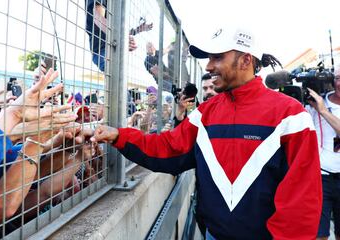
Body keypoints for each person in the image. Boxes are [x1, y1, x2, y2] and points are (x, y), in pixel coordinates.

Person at [90, 26, 322, 239]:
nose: (209, 66)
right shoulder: (205, 113)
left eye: (218, 57)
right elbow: (167, 149)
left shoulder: (291, 115)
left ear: (246, 60)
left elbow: (302, 200)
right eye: (209, 58)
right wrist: (119, 136)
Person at [306, 64, 340, 240]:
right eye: (338, 78)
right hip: (321, 178)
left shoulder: (321, 107)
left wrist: (324, 111)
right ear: (332, 80)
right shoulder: (314, 103)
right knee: (319, 234)